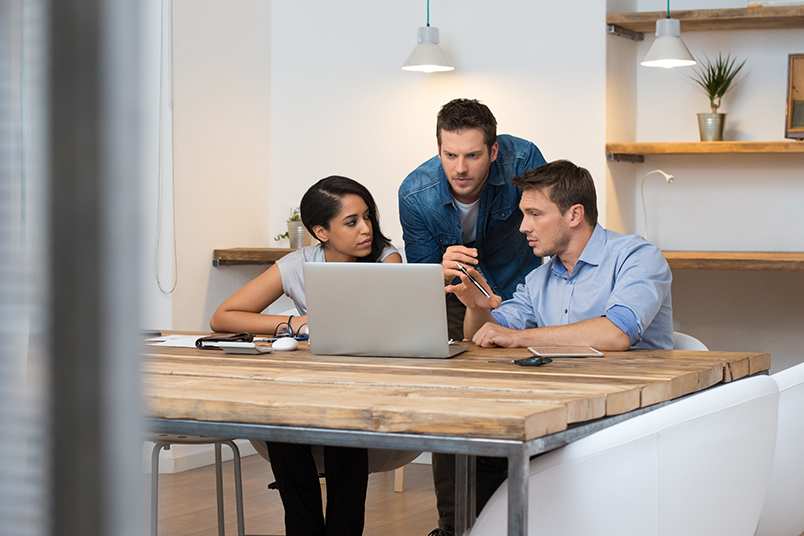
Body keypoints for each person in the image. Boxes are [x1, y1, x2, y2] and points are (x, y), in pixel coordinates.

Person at [445, 159, 674, 517]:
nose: (524, 227)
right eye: (524, 214)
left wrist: (520, 337)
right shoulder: (539, 279)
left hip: (630, 421)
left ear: (574, 215)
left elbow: (617, 334)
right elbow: (485, 336)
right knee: (476, 440)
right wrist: (478, 308)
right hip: (561, 414)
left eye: (535, 214)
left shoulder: (637, 257)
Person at [210, 175, 401, 536]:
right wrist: (292, 322)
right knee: (282, 420)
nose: (366, 229)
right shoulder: (298, 263)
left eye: (367, 217)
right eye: (352, 221)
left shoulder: (386, 260)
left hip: (363, 391)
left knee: (341, 422)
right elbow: (223, 317)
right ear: (321, 231)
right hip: (311, 387)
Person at [398, 98, 547, 536]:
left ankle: (521, 517)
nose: (459, 168)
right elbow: (427, 283)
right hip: (454, 297)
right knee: (450, 401)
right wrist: (439, 267)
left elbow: (550, 220)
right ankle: (456, 525)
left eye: (473, 155)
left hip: (519, 290)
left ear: (495, 151)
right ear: (438, 148)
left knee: (524, 396)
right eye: (450, 155)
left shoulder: (524, 160)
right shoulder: (415, 193)